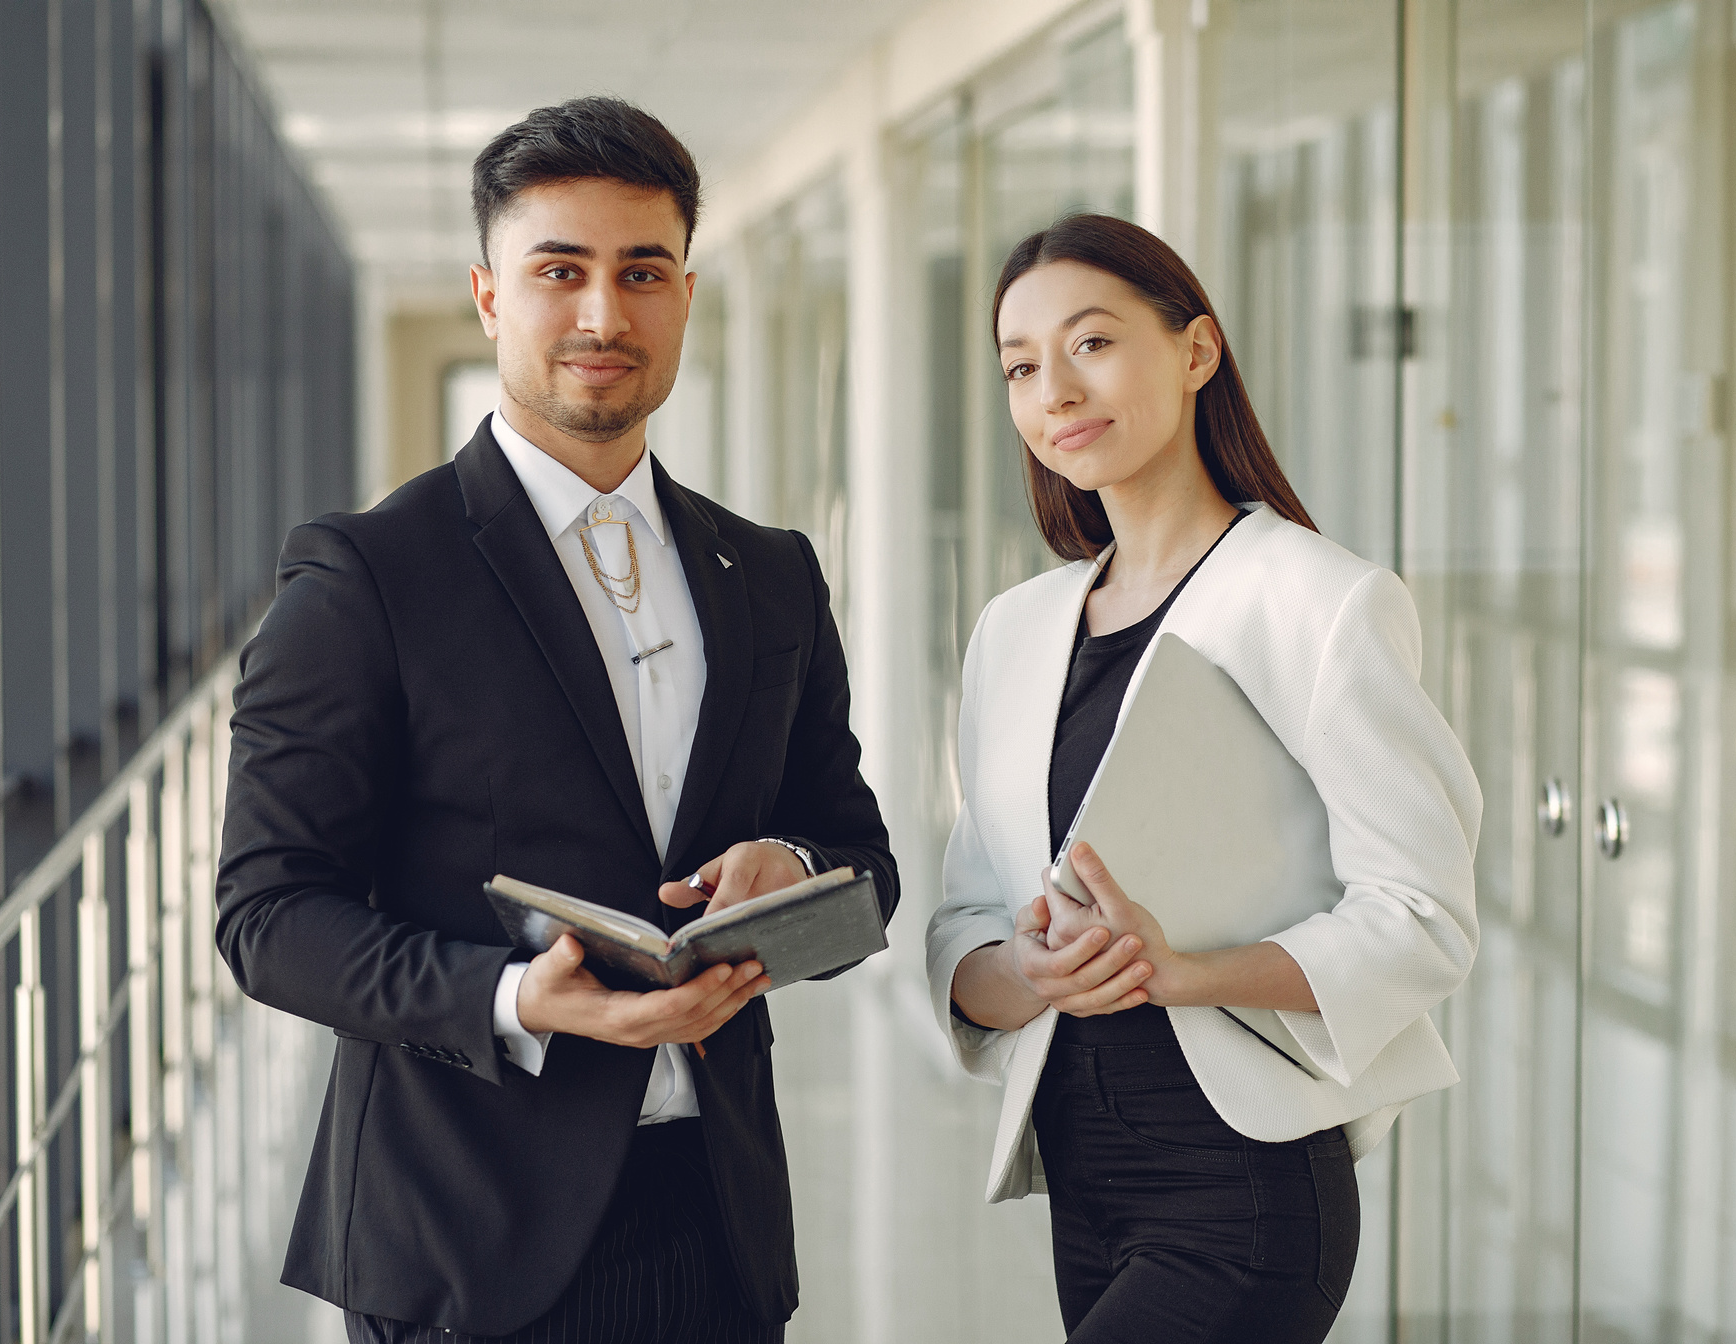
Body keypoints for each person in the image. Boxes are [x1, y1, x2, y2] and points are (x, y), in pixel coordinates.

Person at [216, 96, 897, 1344]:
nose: (603, 313)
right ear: (489, 295)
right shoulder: (366, 574)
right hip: (464, 1238)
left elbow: (862, 861)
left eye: (641, 272)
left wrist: (791, 869)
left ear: (685, 294)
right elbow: (266, 917)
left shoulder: (773, 573)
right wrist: (519, 997)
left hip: (718, 1226)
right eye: (559, 271)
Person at [925, 213, 1481, 1343]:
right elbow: (962, 932)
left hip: (1244, 1184)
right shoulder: (1015, 630)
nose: (1055, 392)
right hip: (1082, 1179)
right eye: (1021, 368)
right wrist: (1028, 969)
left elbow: (1424, 918)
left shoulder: (1320, 602)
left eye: (1091, 343)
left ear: (1195, 351)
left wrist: (1187, 971)